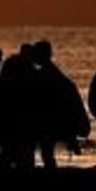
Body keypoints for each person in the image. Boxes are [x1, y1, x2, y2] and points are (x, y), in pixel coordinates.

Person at [32, 40, 89, 169]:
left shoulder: (45, 74)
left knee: (47, 152)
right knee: (47, 152)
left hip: (48, 120)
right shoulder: (53, 73)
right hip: (52, 120)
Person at [0, 43, 38, 169]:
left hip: (8, 114)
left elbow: (2, 84)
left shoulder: (10, 63)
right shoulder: (29, 69)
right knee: (25, 152)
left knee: (9, 149)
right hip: (22, 116)